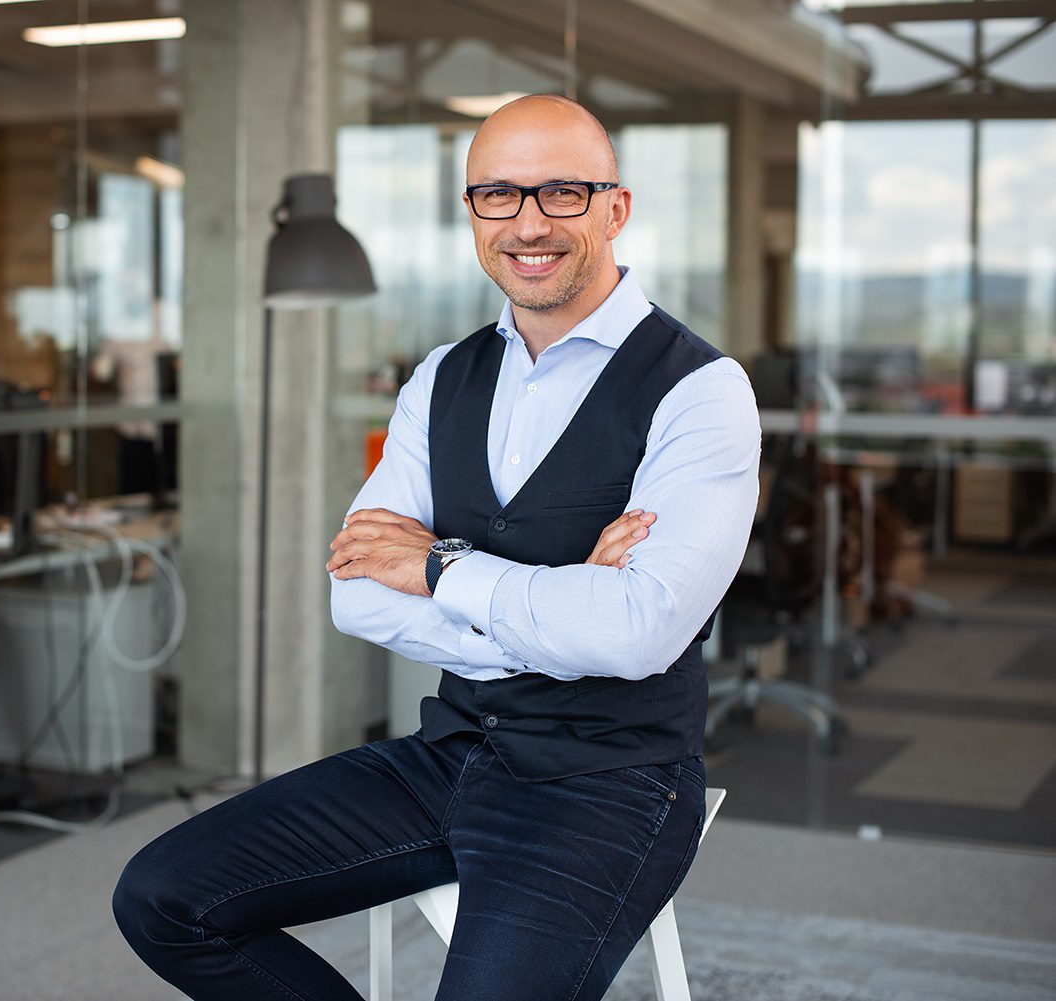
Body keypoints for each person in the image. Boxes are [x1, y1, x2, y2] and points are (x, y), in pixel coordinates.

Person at [112, 94, 761, 1000]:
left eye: (562, 192)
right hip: (450, 751)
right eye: (498, 194)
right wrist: (562, 603)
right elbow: (355, 593)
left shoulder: (700, 390)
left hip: (609, 783)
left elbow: (638, 633)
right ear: (471, 212)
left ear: (616, 208)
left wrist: (437, 566)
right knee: (162, 898)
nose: (528, 223)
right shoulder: (441, 377)